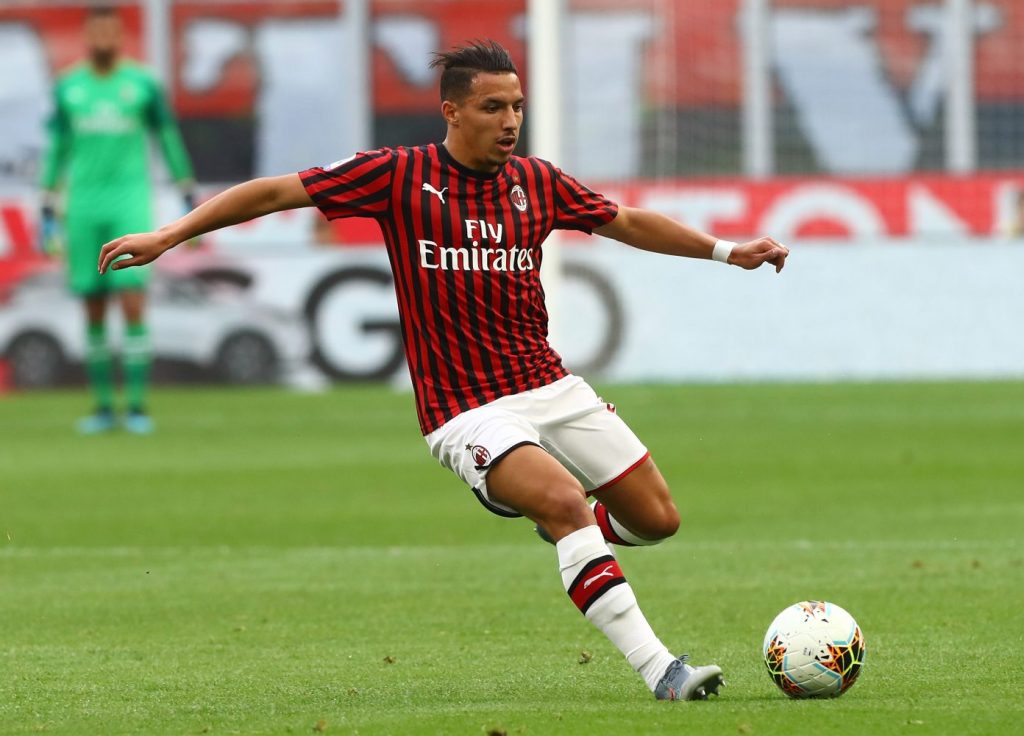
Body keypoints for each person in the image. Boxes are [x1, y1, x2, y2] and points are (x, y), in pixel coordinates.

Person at [99, 41, 789, 700]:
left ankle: (570, 530)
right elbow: (276, 193)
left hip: (550, 385)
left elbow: (627, 221)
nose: (510, 121)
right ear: (451, 111)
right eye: (493, 107)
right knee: (563, 502)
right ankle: (661, 669)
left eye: (516, 106)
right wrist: (169, 234)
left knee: (657, 519)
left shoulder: (538, 182)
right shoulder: (398, 175)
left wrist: (728, 251)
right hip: (465, 409)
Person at [40, 4, 195, 434]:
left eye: (111, 31)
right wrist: (47, 200)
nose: (104, 39)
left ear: (120, 36)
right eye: (97, 32)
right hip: (83, 206)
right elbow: (57, 147)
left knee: (131, 300)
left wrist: (185, 188)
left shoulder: (142, 84)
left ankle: (138, 406)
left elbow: (167, 136)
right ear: (87, 36)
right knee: (93, 307)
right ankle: (105, 407)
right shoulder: (68, 86)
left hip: (130, 203)